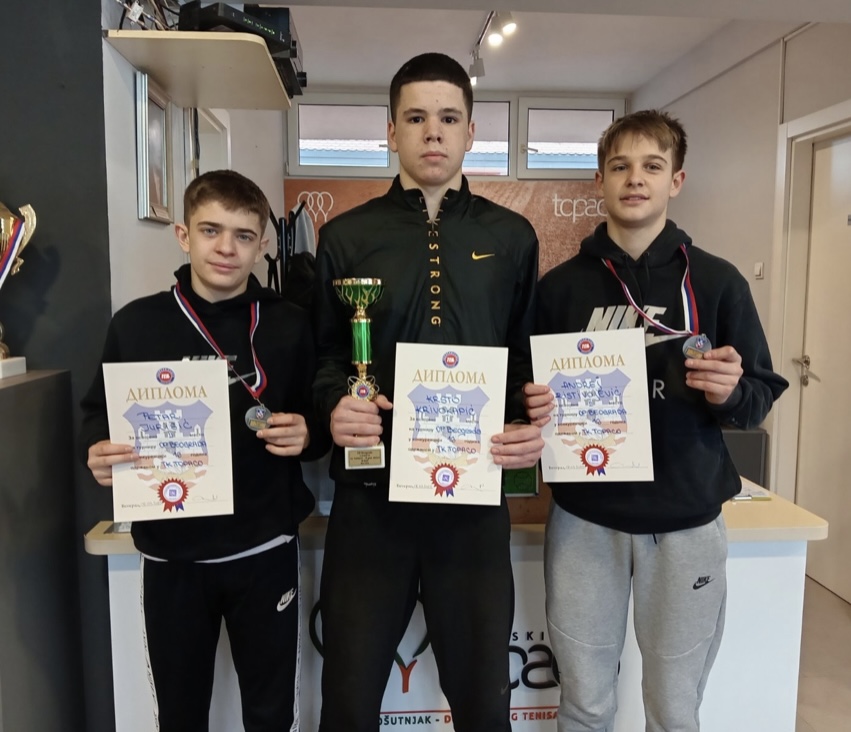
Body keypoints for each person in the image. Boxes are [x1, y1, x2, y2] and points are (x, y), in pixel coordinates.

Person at [523, 110, 789, 732]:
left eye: (652, 166)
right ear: (599, 180)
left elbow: (759, 394)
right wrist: (528, 404)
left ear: (677, 180)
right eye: (620, 166)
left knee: (673, 707)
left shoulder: (718, 282)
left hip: (687, 524)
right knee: (585, 703)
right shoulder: (560, 288)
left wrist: (730, 391)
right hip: (586, 522)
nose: (635, 179)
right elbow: (523, 388)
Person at [312, 52, 544, 732]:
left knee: (482, 704)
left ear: (471, 132)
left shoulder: (512, 237)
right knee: (348, 700)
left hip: (472, 505)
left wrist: (526, 423)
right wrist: (334, 405)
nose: (432, 132)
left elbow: (524, 360)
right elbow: (325, 357)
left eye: (448, 118)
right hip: (370, 502)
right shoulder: (346, 236)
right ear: (391, 132)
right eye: (415, 118)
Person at [80, 169, 329, 732]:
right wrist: (95, 449)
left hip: (264, 548)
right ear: (183, 235)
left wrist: (308, 435)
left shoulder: (290, 325)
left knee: (270, 713)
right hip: (172, 554)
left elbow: (316, 416)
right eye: (211, 230)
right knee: (180, 714)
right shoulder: (136, 324)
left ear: (261, 245)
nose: (226, 248)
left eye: (244, 235)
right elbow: (98, 413)